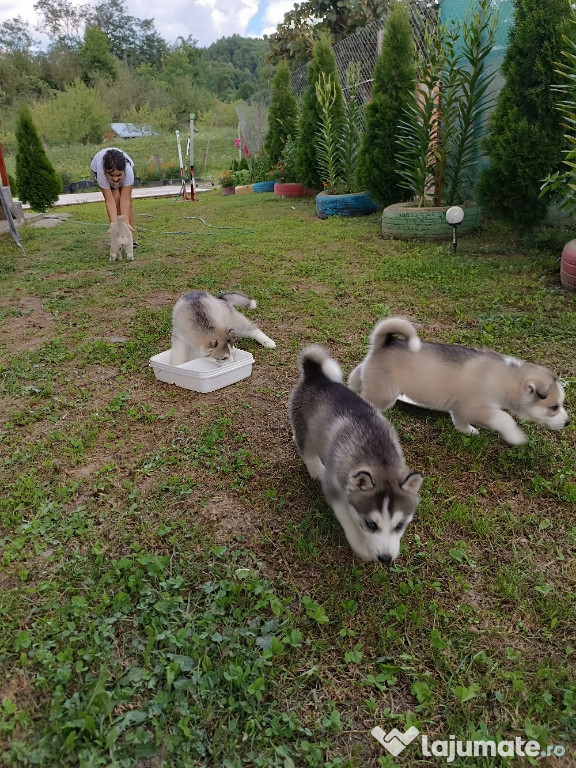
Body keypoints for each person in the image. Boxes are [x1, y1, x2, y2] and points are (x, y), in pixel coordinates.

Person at [90, 147, 138, 246]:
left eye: (118, 175)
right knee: (115, 197)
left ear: (124, 170)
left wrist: (125, 222)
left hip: (122, 173)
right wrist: (114, 224)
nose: (115, 179)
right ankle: (117, 238)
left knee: (127, 202)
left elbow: (125, 199)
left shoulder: (128, 171)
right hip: (99, 168)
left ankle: (130, 239)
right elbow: (109, 201)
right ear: (106, 172)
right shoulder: (101, 172)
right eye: (112, 175)